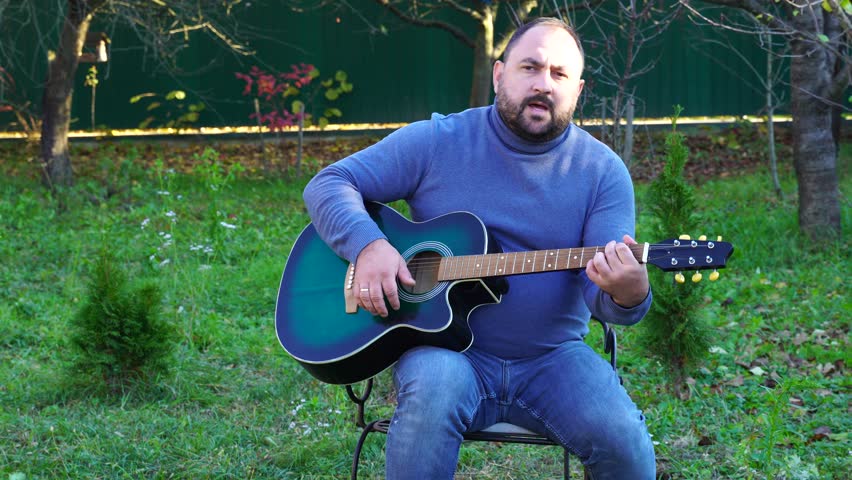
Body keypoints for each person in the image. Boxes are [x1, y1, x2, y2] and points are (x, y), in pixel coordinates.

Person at [303, 17, 656, 479]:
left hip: (554, 359)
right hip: (446, 355)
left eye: (560, 74)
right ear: (498, 74)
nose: (543, 85)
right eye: (530, 67)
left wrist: (629, 294)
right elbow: (330, 182)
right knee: (433, 390)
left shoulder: (602, 173)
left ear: (578, 90)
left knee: (627, 444)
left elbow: (604, 294)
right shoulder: (437, 141)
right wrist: (368, 246)